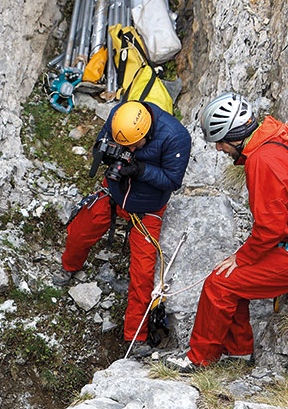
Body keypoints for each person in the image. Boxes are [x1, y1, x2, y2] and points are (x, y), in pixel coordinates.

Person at [163, 91, 288, 371]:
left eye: (220, 142)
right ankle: (238, 352)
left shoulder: (262, 161)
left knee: (219, 283)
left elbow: (271, 229)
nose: (219, 149)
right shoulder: (284, 136)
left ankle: (198, 359)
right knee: (234, 280)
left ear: (235, 137)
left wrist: (243, 257)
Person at [54, 100, 192, 356]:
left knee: (142, 270)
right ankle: (69, 266)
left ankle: (136, 336)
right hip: (115, 192)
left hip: (148, 205)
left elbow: (172, 180)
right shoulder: (120, 118)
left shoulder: (175, 137)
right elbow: (101, 143)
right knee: (82, 229)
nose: (129, 148)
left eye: (134, 146)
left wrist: (140, 169)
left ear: (146, 135)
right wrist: (107, 154)